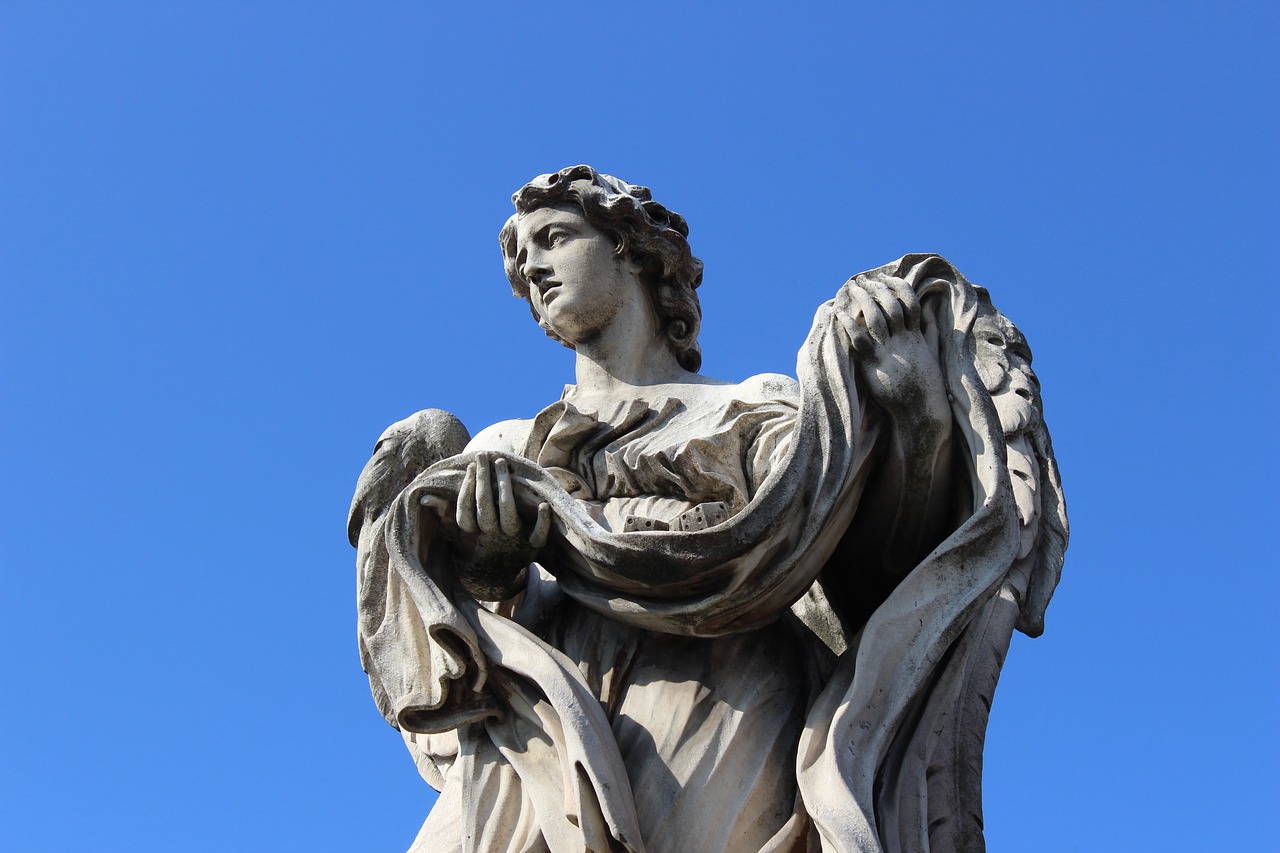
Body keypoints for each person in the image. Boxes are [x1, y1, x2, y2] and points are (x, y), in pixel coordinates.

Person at [349, 166, 1066, 853]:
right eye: (521, 259)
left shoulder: (753, 409)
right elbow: (456, 648)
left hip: (723, 697)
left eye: (555, 238)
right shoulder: (505, 446)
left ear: (633, 251)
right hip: (539, 727)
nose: (532, 269)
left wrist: (919, 421)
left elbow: (871, 588)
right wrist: (492, 572)